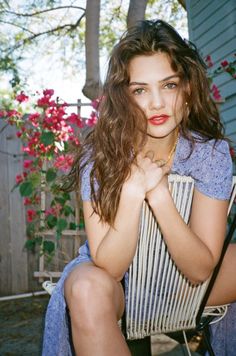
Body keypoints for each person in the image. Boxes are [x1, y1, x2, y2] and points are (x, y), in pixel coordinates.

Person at [42, 19, 236, 356]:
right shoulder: (99, 158)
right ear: (124, 97)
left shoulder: (209, 153)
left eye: (169, 85)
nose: (157, 103)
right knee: (86, 287)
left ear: (187, 88)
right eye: (140, 89)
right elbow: (111, 267)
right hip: (121, 285)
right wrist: (132, 191)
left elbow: (201, 267)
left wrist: (159, 194)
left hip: (189, 284)